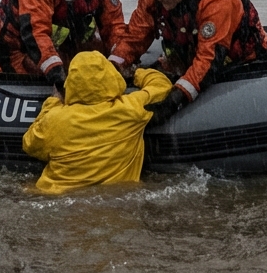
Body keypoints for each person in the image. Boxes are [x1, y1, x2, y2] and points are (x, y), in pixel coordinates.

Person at [109, 0, 267, 124]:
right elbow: (134, 37)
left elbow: (208, 61)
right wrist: (111, 68)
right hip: (189, 56)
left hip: (240, 62)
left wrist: (173, 102)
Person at [21, 50, 173, 194]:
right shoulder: (131, 109)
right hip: (115, 203)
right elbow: (161, 84)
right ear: (111, 76)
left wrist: (53, 101)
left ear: (71, 81)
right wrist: (135, 73)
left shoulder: (55, 119)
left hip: (53, 197)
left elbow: (29, 144)